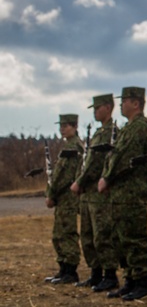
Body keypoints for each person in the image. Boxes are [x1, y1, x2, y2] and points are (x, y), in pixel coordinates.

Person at [99, 86, 147, 300]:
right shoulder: (128, 127)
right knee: (121, 238)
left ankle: (142, 282)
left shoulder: (140, 127)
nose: (121, 105)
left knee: (134, 239)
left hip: (132, 194)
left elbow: (124, 158)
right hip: (122, 194)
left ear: (136, 103)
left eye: (124, 101)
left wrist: (107, 178)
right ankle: (130, 280)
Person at [71, 93, 119, 292]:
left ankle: (109, 274)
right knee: (88, 235)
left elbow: (96, 163)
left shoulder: (111, 132)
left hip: (99, 193)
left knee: (102, 235)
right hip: (89, 193)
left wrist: (79, 181)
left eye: (98, 108)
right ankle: (96, 272)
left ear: (108, 108)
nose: (95, 112)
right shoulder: (99, 132)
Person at [43, 113, 85, 285]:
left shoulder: (75, 147)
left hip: (67, 197)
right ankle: (63, 268)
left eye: (66, 125)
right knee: (58, 233)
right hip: (61, 197)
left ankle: (70, 270)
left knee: (67, 233)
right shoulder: (68, 146)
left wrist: (52, 193)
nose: (62, 128)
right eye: (61, 126)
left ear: (75, 127)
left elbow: (66, 176)